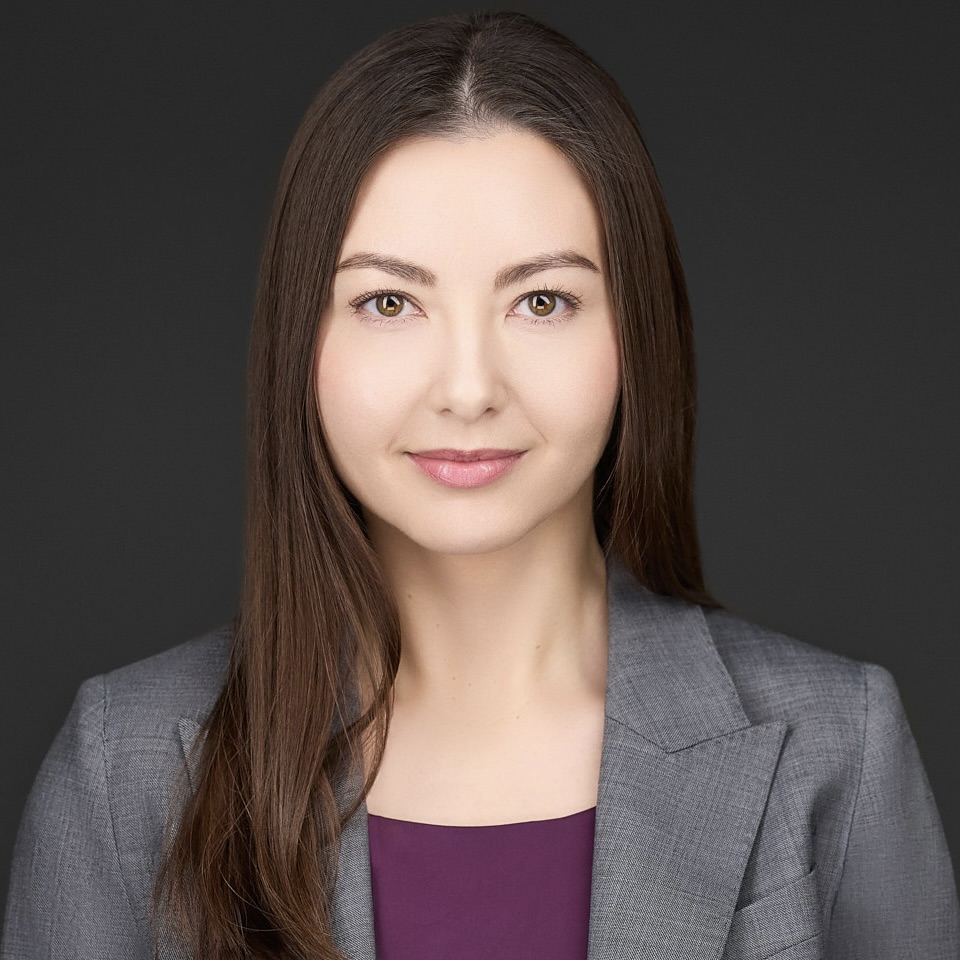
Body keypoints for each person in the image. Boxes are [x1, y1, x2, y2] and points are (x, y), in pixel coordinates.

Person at [2, 10, 957, 960]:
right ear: (300, 342)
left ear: (636, 333)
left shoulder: (837, 747)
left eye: (542, 301)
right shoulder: (123, 768)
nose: (467, 390)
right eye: (388, 302)